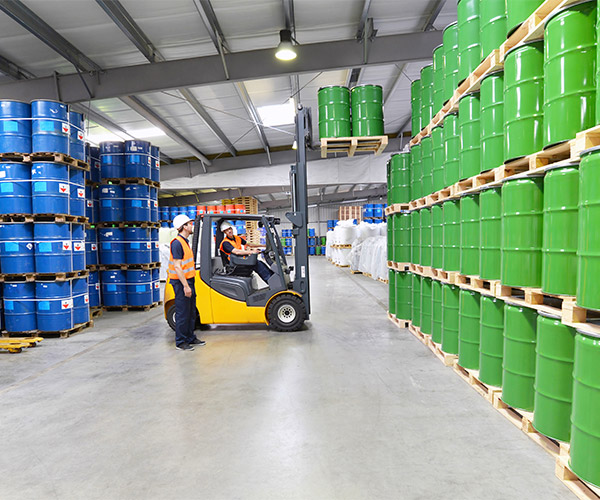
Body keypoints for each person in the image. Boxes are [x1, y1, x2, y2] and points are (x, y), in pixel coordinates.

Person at [168, 214, 206, 351]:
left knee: (190, 311)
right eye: (190, 224)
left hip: (189, 280)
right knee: (183, 313)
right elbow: (177, 267)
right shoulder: (177, 243)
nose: (192, 226)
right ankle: (180, 341)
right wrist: (185, 286)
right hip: (181, 283)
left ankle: (190, 337)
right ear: (184, 226)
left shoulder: (185, 242)